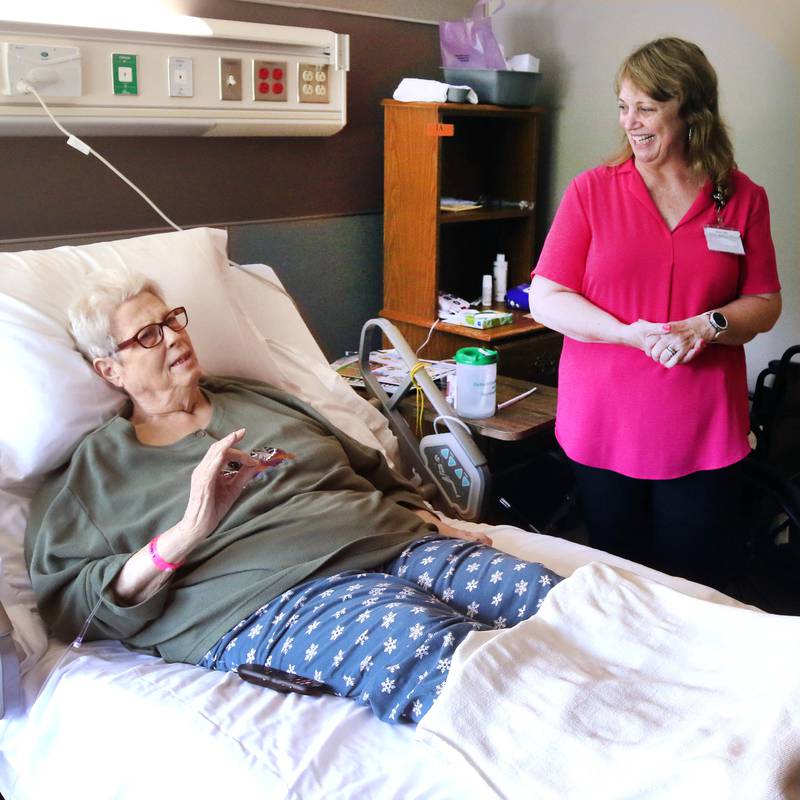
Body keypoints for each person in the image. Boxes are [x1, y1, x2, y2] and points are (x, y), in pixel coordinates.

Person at [25, 269, 562, 725]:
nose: (170, 337)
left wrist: (431, 519)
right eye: (147, 336)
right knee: (441, 651)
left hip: (392, 540)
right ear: (109, 370)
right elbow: (76, 610)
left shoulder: (255, 398)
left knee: (553, 600)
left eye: (171, 321)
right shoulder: (93, 476)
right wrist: (188, 530)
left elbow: (369, 467)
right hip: (276, 598)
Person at [528, 36, 782, 589]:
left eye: (646, 108)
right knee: (620, 578)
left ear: (691, 111)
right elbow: (547, 297)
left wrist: (708, 325)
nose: (630, 123)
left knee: (696, 582)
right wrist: (627, 334)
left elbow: (764, 303)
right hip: (605, 422)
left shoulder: (739, 197)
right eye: (623, 106)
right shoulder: (592, 191)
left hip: (702, 428)